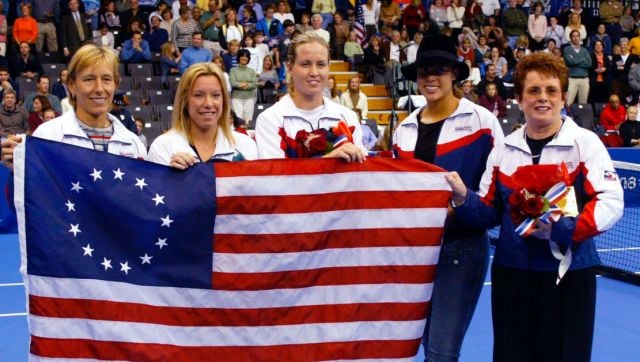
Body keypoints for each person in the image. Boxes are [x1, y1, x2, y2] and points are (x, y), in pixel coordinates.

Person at [445, 51, 624, 362]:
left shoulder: (585, 143)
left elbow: (611, 201)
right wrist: (463, 198)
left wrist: (561, 230)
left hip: (570, 275)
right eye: (534, 90)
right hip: (512, 274)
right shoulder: (505, 147)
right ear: (520, 98)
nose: (543, 98)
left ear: (564, 97)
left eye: (551, 90)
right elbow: (488, 211)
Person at [394, 34, 504, 361]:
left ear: (454, 74)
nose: (431, 78)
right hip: (418, 252)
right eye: (424, 71)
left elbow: (491, 206)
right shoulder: (405, 129)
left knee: (441, 352)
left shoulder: (483, 123)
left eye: (439, 70)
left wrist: (458, 205)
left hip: (462, 249)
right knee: (426, 347)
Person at [1, 44, 147, 170]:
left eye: (106, 79)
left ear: (115, 84)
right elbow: (34, 197)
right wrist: (19, 170)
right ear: (71, 85)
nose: (99, 88)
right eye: (89, 79)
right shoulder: (47, 136)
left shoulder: (133, 144)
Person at [255, 32, 365, 161]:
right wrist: (329, 160)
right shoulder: (270, 119)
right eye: (305, 64)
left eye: (321, 64)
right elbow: (276, 176)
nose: (314, 72)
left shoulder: (347, 117)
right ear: (290, 67)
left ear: (328, 67)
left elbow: (361, 174)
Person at [148, 62, 256, 167]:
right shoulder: (163, 147)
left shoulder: (245, 145)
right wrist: (170, 176)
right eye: (198, 95)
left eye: (216, 95)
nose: (208, 103)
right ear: (184, 101)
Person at [563, 30, 591, 106]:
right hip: (572, 79)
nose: (576, 38)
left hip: (584, 79)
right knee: (568, 102)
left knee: (583, 104)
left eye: (577, 36)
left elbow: (589, 63)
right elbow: (570, 62)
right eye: (573, 36)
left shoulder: (584, 50)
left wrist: (575, 60)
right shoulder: (567, 49)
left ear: (580, 37)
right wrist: (582, 59)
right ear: (571, 38)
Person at [229, 49, 257, 125]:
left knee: (248, 120)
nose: (244, 58)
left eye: (246, 56)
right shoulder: (233, 70)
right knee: (238, 119)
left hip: (249, 98)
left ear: (248, 59)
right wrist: (247, 84)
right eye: (242, 56)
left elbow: (254, 84)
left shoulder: (252, 71)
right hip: (237, 98)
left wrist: (242, 85)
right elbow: (233, 83)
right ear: (239, 57)